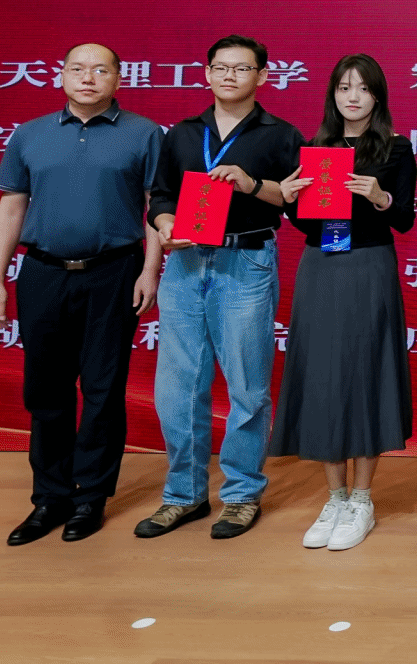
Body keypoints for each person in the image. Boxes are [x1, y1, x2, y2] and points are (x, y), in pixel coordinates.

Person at [0, 44, 163, 546]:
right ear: (61, 75)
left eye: (100, 70)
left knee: (103, 388)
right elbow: (11, 208)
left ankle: (91, 497)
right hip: (43, 272)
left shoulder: (144, 134)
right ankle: (50, 497)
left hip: (115, 272)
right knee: (46, 389)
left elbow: (156, 207)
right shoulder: (30, 134)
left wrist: (151, 271)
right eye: (78, 69)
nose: (88, 78)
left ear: (119, 79)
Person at [141, 35, 305, 540]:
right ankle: (183, 495)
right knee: (178, 388)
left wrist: (250, 183)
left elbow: (297, 202)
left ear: (263, 76)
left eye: (242, 68)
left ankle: (240, 495)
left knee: (247, 386)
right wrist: (166, 224)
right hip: (186, 263)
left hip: (245, 259)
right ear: (207, 73)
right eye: (221, 67)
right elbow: (161, 197)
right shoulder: (183, 133)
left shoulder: (281, 135)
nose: (230, 75)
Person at [271, 55, 416, 551]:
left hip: (368, 265)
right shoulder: (315, 149)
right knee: (323, 375)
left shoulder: (396, 148)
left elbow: (403, 220)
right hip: (320, 266)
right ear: (332, 95)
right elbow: (307, 222)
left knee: (366, 373)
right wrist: (290, 199)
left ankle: (362, 499)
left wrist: (379, 196)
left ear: (378, 96)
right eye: (343, 88)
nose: (352, 97)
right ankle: (334, 498)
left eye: (363, 88)